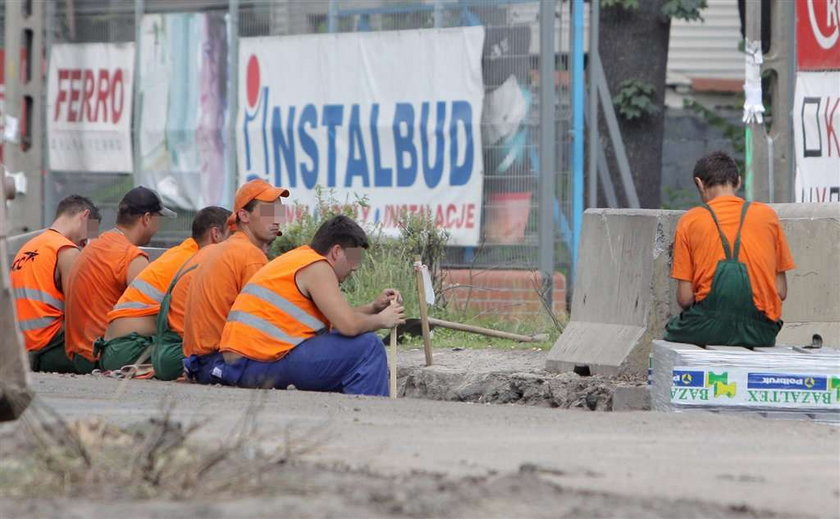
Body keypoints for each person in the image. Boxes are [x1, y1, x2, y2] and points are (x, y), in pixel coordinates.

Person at [215, 215, 405, 397]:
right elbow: (348, 326)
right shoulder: (318, 267)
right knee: (368, 346)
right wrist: (382, 320)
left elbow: (341, 318)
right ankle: (370, 418)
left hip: (246, 362)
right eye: (353, 258)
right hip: (257, 362)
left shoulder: (301, 259)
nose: (354, 268)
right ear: (337, 252)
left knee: (348, 346)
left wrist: (373, 307)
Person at [664, 151, 795, 347]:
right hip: (760, 332)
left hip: (705, 327)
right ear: (738, 182)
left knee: (671, 329)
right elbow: (781, 291)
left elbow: (685, 298)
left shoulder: (689, 221)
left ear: (699, 183)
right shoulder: (768, 216)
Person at [97, 206, 231, 377]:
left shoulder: (183, 253)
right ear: (216, 234)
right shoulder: (197, 262)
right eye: (233, 236)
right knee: (210, 358)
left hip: (116, 347)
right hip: (131, 348)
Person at [181, 179, 289, 383]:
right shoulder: (249, 255)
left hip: (199, 363)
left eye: (279, 212)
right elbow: (268, 323)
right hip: (222, 363)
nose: (276, 219)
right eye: (268, 212)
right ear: (244, 215)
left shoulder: (223, 248)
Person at [64, 187, 176, 373]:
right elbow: (158, 314)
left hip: (77, 355)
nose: (158, 228)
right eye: (158, 220)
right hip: (102, 356)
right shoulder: (131, 257)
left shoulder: (93, 247)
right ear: (147, 219)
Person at [10, 195, 101, 373]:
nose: (85, 243)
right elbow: (80, 312)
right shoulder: (66, 250)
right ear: (84, 216)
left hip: (20, 349)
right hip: (49, 348)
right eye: (88, 235)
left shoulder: (28, 247)